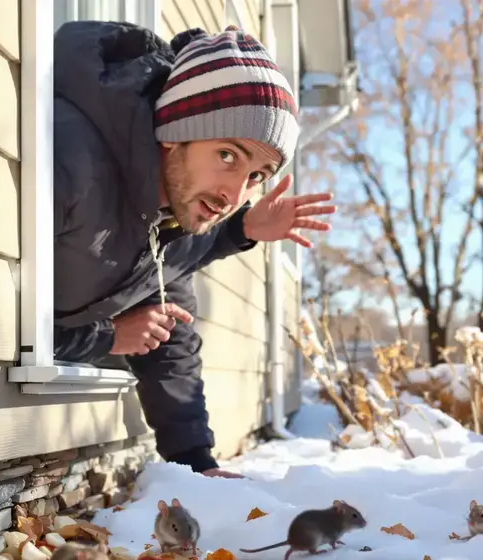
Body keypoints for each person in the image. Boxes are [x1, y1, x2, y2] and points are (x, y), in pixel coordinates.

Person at [50, 20, 334, 478]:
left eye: (257, 175)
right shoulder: (69, 159)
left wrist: (196, 464)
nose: (235, 191)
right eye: (228, 155)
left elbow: (170, 343)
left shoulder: (173, 226)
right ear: (175, 128)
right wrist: (107, 337)